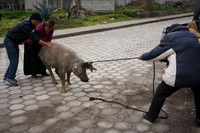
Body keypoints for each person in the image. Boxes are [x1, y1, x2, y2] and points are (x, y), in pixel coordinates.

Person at [139, 24, 200, 126]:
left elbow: (156, 54)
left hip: (178, 76)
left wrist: (143, 57)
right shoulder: (193, 36)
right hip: (197, 76)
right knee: (199, 96)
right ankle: (199, 120)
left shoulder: (171, 37)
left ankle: (151, 116)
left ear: (171, 31)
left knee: (160, 94)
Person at [3, 13, 52, 86]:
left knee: (14, 60)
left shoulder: (32, 25)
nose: (37, 23)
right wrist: (46, 45)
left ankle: (7, 76)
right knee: (14, 60)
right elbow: (34, 38)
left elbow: (36, 35)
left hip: (14, 42)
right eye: (36, 22)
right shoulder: (26, 25)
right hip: (10, 41)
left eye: (38, 22)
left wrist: (43, 45)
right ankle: (10, 78)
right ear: (32, 19)